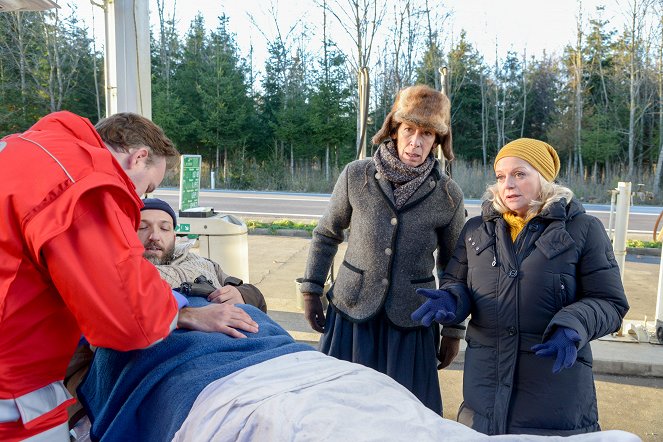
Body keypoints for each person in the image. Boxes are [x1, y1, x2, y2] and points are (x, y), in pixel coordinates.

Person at [0, 111, 247, 441]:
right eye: (147, 190)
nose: (140, 202)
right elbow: (131, 317)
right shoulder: (80, 181)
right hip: (14, 384)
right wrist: (183, 312)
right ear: (138, 157)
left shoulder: (22, 150)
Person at [411, 138, 630, 436]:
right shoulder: (476, 230)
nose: (508, 184)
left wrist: (573, 326)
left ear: (543, 177)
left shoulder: (583, 230)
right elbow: (457, 282)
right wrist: (452, 301)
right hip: (484, 392)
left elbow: (609, 302)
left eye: (520, 174)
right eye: (501, 176)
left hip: (553, 392)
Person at [300, 84, 466, 414]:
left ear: (438, 141)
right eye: (409, 130)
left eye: (428, 134)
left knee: (405, 416)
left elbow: (455, 266)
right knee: (340, 411)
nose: (416, 142)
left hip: (412, 322)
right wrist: (311, 290)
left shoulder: (448, 194)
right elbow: (326, 235)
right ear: (394, 128)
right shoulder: (356, 175)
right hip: (352, 314)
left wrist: (453, 329)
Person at [138, 198, 267, 317]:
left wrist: (241, 294)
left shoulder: (202, 262)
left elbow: (255, 295)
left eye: (164, 228)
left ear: (173, 237)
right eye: (142, 227)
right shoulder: (125, 273)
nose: (154, 236)